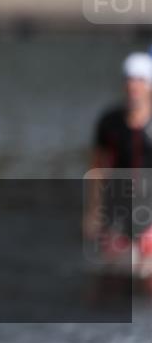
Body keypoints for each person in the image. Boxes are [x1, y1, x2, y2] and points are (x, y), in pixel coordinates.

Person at [83, 52, 152, 278]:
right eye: (129, 79)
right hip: (118, 212)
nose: (133, 86)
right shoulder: (109, 122)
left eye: (140, 80)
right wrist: (93, 211)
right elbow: (97, 168)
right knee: (111, 282)